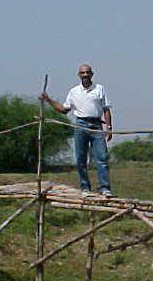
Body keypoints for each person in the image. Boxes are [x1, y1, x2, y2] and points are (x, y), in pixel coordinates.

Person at [40, 63, 113, 197]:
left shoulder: (99, 89)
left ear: (92, 74)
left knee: (102, 158)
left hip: (96, 125)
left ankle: (104, 188)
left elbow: (106, 109)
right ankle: (85, 187)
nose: (85, 75)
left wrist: (108, 127)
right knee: (80, 158)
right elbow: (64, 110)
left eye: (87, 72)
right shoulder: (74, 91)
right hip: (80, 124)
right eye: (83, 73)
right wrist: (48, 100)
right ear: (79, 75)